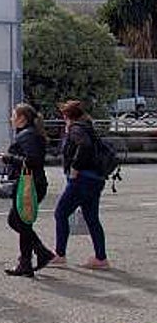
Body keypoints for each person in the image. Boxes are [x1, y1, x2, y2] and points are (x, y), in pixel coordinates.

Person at [0, 103, 55, 277]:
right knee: (21, 222)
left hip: (29, 185)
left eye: (14, 115)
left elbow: (32, 160)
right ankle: (30, 259)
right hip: (29, 184)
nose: (11, 119)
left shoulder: (27, 135)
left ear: (22, 118)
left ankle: (32, 258)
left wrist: (9, 158)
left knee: (19, 221)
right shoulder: (28, 134)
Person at [53, 99, 110, 269]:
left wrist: (75, 168)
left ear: (66, 115)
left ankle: (60, 254)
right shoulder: (88, 127)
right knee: (92, 218)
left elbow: (83, 147)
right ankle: (101, 258)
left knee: (61, 213)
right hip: (96, 179)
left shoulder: (76, 129)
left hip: (82, 179)